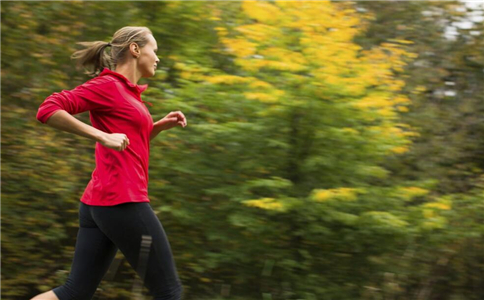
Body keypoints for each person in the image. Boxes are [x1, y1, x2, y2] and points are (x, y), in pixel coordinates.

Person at [31, 26, 186, 300]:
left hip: (100, 203)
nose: (158, 58)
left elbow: (128, 143)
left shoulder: (128, 93)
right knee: (169, 291)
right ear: (136, 49)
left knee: (75, 292)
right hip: (122, 200)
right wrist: (101, 135)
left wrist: (157, 127)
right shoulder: (108, 86)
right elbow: (48, 109)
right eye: (155, 50)